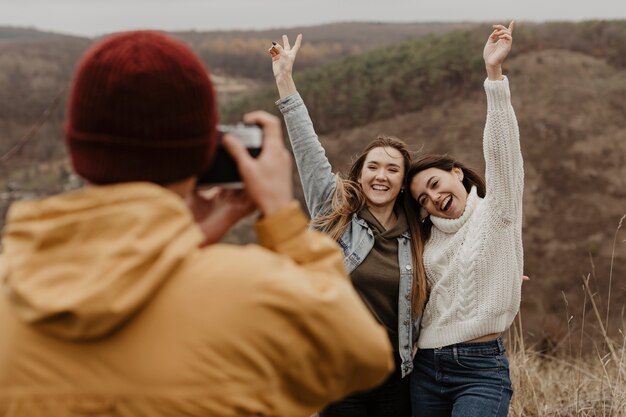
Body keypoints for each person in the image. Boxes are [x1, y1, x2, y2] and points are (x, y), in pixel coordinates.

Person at [0, 30, 395, 417]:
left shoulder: (9, 285)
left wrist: (186, 237)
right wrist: (281, 220)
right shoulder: (250, 294)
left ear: (76, 148)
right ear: (206, 152)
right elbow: (363, 355)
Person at [269, 35, 428, 416]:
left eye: (392, 169)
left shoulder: (419, 233)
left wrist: (499, 272)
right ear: (360, 173)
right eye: (373, 166)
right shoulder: (335, 211)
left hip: (397, 378)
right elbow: (307, 148)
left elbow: (459, 246)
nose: (381, 176)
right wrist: (284, 79)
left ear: (403, 182)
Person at [406, 22, 522, 417]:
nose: (435, 198)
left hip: (479, 369)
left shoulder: (497, 211)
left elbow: (503, 151)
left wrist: (494, 76)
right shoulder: (426, 238)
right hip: (425, 368)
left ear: (456, 173)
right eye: (424, 198)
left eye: (436, 184)